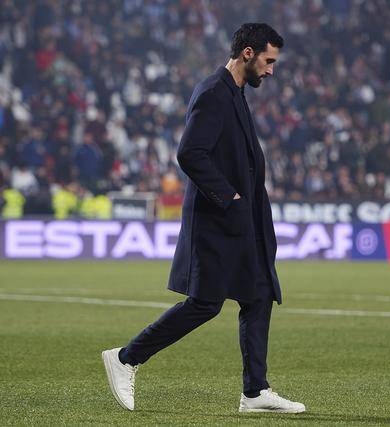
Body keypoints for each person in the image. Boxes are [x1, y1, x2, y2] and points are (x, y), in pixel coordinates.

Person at [101, 23, 305, 414]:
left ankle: (255, 391)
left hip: (242, 221)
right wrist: (229, 196)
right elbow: (190, 153)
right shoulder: (214, 93)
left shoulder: (234, 92)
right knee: (205, 304)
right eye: (268, 61)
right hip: (218, 222)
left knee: (259, 294)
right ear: (247, 53)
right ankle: (126, 358)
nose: (271, 70)